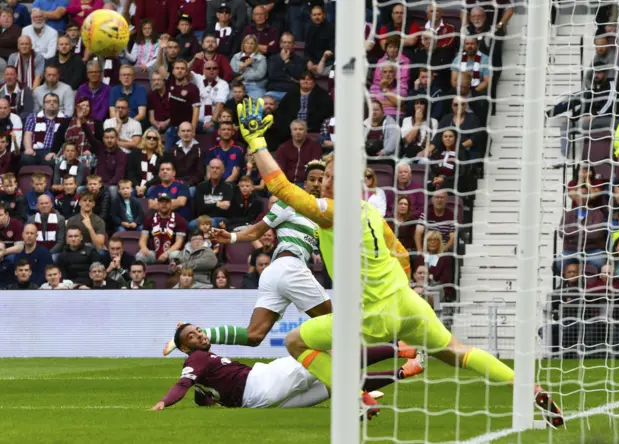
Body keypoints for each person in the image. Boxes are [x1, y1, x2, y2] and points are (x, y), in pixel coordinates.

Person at [233, 98, 564, 425]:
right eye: (325, 177)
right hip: (406, 303)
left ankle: (354, 397)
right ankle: (528, 387)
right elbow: (402, 254)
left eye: (331, 177)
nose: (325, 182)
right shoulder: (370, 212)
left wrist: (256, 141)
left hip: (372, 314)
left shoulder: (334, 212)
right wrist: (399, 287)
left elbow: (281, 188)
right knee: (456, 351)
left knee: (295, 341)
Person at [163, 160, 332, 354]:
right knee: (337, 326)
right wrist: (232, 236)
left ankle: (195, 332)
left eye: (322, 179)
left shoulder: (322, 213)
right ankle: (345, 380)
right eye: (312, 179)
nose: (317, 184)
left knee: (254, 336)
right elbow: (257, 230)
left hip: (275, 274)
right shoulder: (291, 202)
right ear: (305, 182)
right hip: (290, 268)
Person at [153, 323, 423, 411]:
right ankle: (399, 348)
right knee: (328, 359)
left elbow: (203, 397)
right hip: (264, 381)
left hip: (262, 402)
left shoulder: (200, 363)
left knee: (335, 386)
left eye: (199, 330)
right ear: (186, 348)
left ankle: (404, 371)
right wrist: (163, 403)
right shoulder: (197, 359)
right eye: (192, 336)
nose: (200, 335)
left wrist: (207, 400)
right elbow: (182, 385)